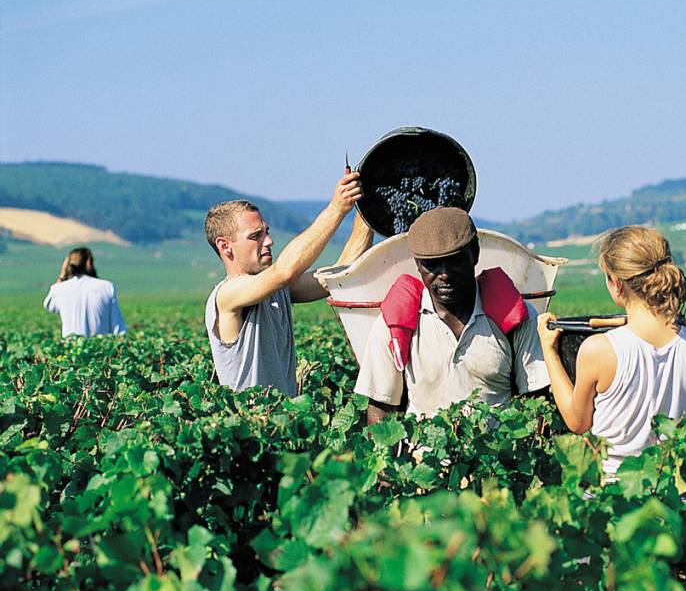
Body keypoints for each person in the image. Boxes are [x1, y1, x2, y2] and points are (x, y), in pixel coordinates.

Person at [537, 225, 686, 478]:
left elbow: (578, 421)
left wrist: (548, 350)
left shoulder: (601, 349)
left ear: (616, 283)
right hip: (677, 501)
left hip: (613, 498)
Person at [354, 206, 550, 423]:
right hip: (422, 455)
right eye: (432, 265)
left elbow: (536, 401)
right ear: (417, 264)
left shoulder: (514, 317)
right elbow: (380, 410)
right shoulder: (395, 324)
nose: (445, 274)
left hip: (495, 455)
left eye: (455, 261)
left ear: (475, 254)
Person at [204, 163, 371, 396]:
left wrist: (368, 210)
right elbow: (285, 271)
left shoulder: (279, 290)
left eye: (266, 232)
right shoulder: (227, 295)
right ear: (225, 246)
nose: (269, 241)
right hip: (251, 428)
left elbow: (342, 273)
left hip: (284, 425)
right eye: (256, 236)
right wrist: (337, 209)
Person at [44, 246, 128, 337]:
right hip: (101, 347)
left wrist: (62, 276)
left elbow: (48, 305)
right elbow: (118, 327)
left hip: (71, 348)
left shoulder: (59, 289)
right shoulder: (107, 287)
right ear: (90, 263)